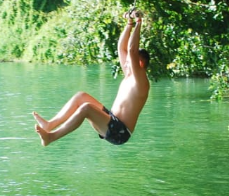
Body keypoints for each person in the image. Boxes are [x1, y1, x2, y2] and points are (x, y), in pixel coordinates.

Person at [33, 10, 150, 146]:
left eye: (130, 60)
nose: (126, 62)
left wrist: (139, 22)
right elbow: (121, 48)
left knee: (87, 108)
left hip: (120, 132)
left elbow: (131, 50)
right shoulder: (129, 74)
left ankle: (51, 137)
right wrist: (129, 24)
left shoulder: (141, 81)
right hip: (111, 120)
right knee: (81, 96)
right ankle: (49, 125)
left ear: (140, 63)